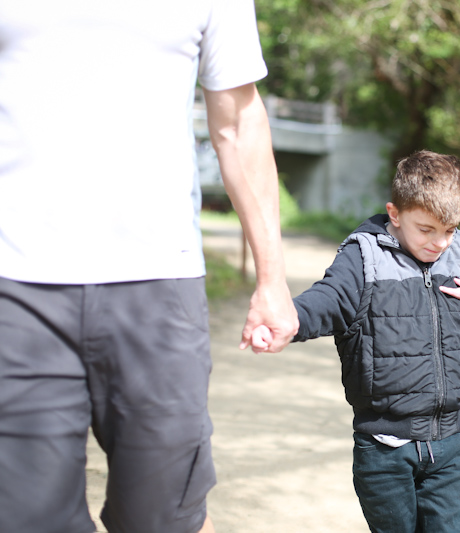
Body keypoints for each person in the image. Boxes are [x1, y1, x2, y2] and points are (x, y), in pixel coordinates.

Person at [0, 2, 298, 533]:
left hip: (159, 284)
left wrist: (272, 280)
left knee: (164, 518)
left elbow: (238, 124)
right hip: (16, 287)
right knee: (26, 518)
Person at [290, 150, 460, 532]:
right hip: (385, 448)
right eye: (426, 230)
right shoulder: (364, 257)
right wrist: (288, 320)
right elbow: (330, 300)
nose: (440, 243)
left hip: (455, 441)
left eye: (450, 230)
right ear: (395, 214)